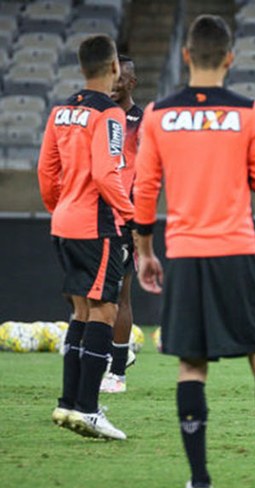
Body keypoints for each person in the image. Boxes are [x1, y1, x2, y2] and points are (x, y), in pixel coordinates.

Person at [133, 15, 255, 488]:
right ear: (230, 58)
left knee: (191, 364)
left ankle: (198, 483)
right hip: (236, 250)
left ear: (186, 56)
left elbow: (144, 191)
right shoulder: (249, 112)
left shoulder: (157, 114)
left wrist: (146, 252)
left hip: (185, 253)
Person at [38, 34, 134, 440]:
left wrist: (61, 208)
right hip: (97, 225)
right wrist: (129, 216)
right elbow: (105, 173)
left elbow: (46, 171)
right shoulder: (109, 113)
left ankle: (68, 404)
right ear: (113, 67)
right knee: (104, 312)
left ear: (81, 68)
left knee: (81, 311)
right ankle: (89, 410)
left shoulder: (60, 111)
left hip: (64, 222)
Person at [100, 54, 143, 394]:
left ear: (132, 82)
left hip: (125, 217)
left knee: (119, 295)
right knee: (80, 294)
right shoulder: (100, 116)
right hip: (94, 215)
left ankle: (116, 373)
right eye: (111, 77)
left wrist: (138, 219)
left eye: (120, 79)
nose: (114, 84)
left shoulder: (142, 123)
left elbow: (149, 175)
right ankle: (116, 351)